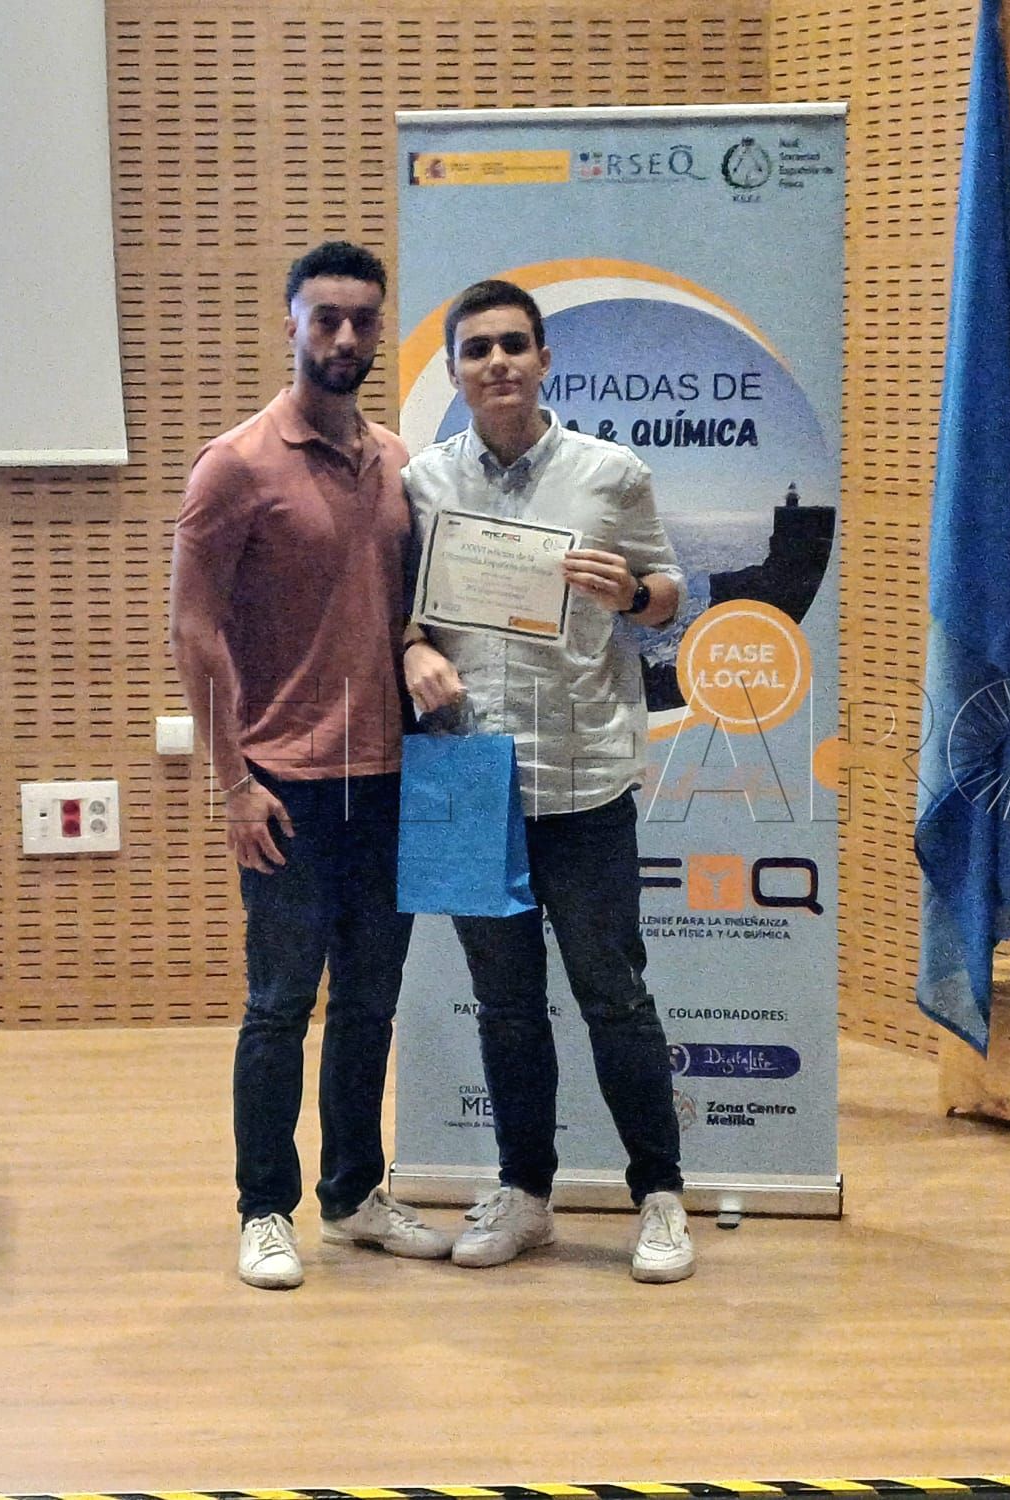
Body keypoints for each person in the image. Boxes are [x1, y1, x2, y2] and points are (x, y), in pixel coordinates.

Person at [170, 240, 453, 1290]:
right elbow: (194, 632)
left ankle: (353, 1196)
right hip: (283, 784)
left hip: (391, 780)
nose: (343, 336)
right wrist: (233, 785)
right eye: (324, 317)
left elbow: (415, 612)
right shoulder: (236, 465)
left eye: (361, 320)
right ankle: (263, 1210)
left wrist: (418, 648)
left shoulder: (399, 463)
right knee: (280, 1006)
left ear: (379, 330)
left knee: (370, 1006)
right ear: (290, 322)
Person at [402, 278, 695, 1284]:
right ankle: (525, 1194)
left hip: (584, 777)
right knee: (505, 1005)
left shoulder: (610, 474)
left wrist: (637, 592)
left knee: (613, 994)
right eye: (476, 348)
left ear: (543, 359)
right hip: (465, 773)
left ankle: (660, 1196)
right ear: (454, 371)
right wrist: (410, 649)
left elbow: (670, 597)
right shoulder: (421, 483)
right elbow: (397, 613)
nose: (497, 362)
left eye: (514, 344)